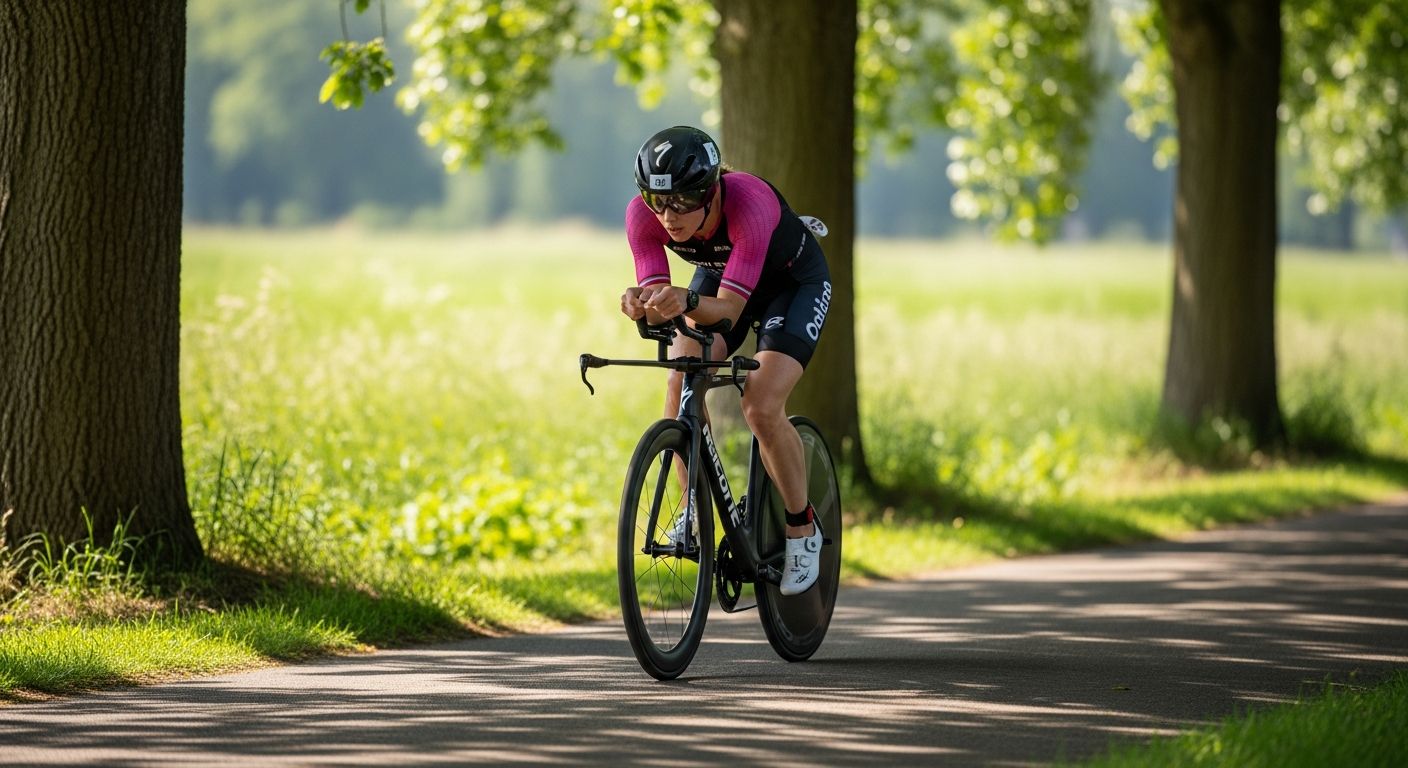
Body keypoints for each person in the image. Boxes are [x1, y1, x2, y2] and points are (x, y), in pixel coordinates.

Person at [619, 125, 832, 596]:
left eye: (680, 202)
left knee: (759, 405)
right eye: (658, 202)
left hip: (790, 288)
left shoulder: (748, 204)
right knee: (681, 379)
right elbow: (659, 297)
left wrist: (681, 300)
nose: (668, 217)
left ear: (710, 192)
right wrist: (640, 301)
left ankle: (802, 528)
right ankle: (693, 511)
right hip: (722, 276)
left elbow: (731, 312)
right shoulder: (644, 216)